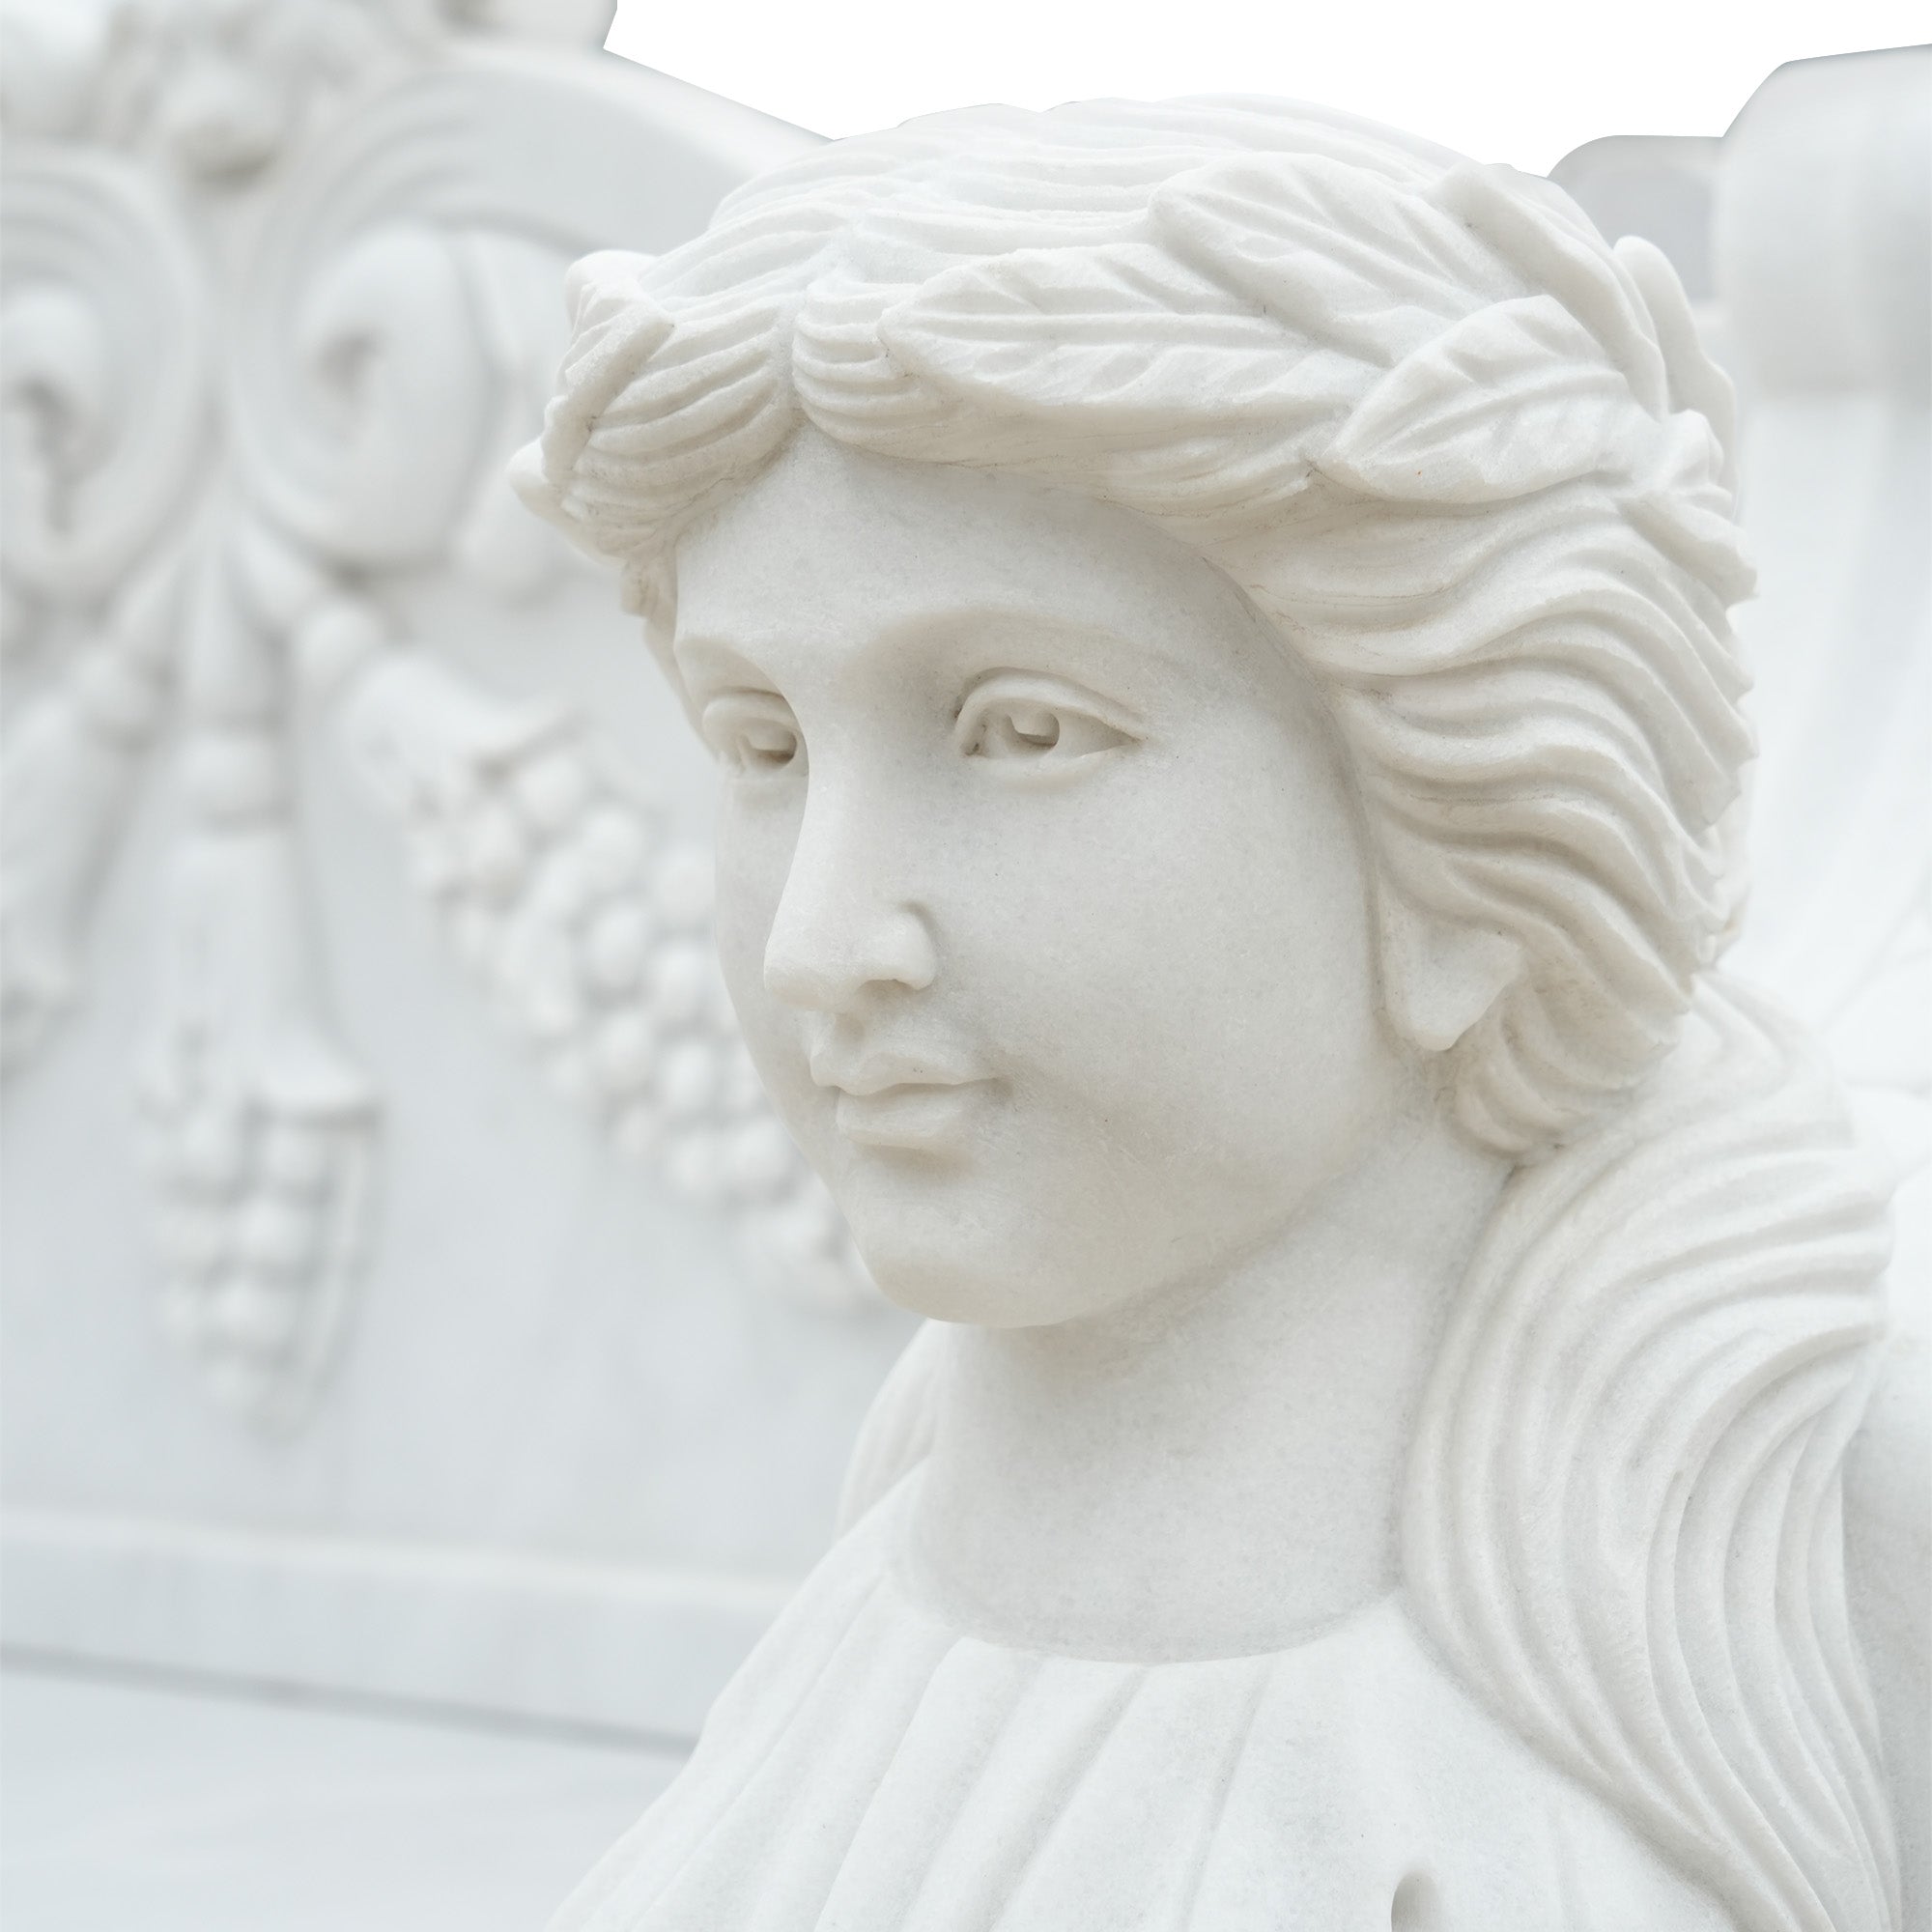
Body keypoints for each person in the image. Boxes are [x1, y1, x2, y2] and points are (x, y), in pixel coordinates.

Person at [515, 97, 1903, 1930]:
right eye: (759, 743)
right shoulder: (891, 1578)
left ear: (1469, 831)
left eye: (1023, 732)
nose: (823, 941)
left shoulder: (1798, 1547)